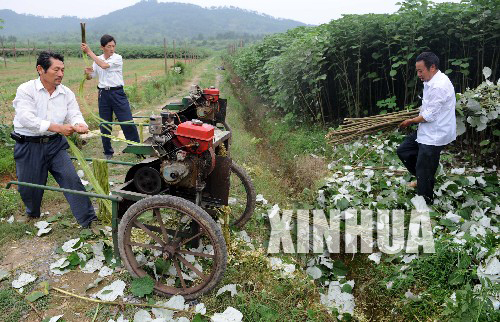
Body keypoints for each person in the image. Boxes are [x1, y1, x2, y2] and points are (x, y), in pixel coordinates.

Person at [12, 51, 97, 228]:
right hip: (29, 145)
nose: (60, 74)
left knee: (71, 179)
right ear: (40, 69)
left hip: (55, 145)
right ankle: (32, 212)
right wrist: (58, 127)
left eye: (63, 70)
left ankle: (88, 220)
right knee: (30, 187)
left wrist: (79, 124)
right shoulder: (26, 90)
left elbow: (74, 113)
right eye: (56, 70)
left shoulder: (66, 93)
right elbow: (26, 119)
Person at [397, 51, 456, 204]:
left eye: (420, 70)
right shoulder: (431, 81)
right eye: (417, 71)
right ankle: (421, 179)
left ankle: (426, 202)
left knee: (425, 167)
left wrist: (410, 121)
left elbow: (430, 116)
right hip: (426, 130)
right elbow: (429, 107)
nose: (418, 74)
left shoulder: (439, 86)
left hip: (436, 133)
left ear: (432, 67)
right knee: (404, 150)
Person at [81, 34, 140, 160]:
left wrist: (89, 52)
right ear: (102, 47)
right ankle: (108, 152)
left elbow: (104, 65)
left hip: (117, 93)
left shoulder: (117, 58)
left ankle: (136, 148)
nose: (112, 49)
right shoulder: (97, 60)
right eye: (109, 46)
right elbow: (91, 76)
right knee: (105, 124)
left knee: (127, 121)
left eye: (113, 46)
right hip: (103, 95)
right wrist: (87, 73)